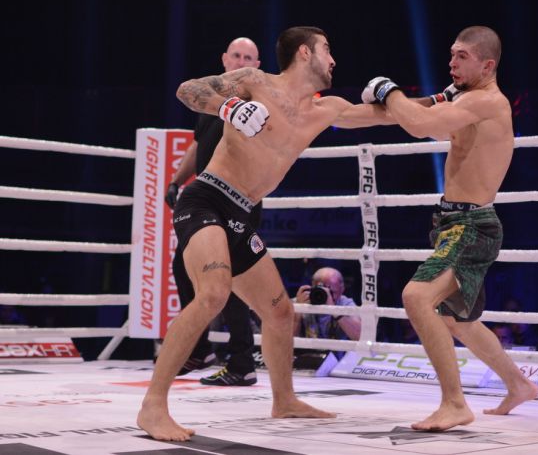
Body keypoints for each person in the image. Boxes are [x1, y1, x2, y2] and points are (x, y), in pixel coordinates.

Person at [137, 26, 393, 441]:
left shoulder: (325, 109)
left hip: (242, 215)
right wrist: (229, 108)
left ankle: (284, 400)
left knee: (280, 313)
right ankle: (152, 406)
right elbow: (188, 90)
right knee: (213, 293)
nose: (334, 59)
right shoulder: (254, 81)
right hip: (206, 200)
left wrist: (432, 99)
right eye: (327, 49)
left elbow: (393, 116)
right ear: (305, 53)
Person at [361, 26, 538, 431]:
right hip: (452, 221)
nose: (452, 62)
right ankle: (519, 384)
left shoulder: (487, 101)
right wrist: (339, 113)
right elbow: (421, 119)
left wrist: (388, 90)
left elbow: (419, 124)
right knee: (458, 320)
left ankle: (455, 404)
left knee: (416, 297)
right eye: (452, 54)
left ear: (487, 65)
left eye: (462, 56)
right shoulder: (466, 100)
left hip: (471, 225)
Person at [165, 37, 263, 386]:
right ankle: (199, 349)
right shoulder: (212, 100)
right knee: (183, 266)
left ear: (257, 66)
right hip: (208, 198)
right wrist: (176, 180)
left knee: (232, 279)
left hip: (238, 199)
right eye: (236, 55)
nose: (240, 62)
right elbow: (199, 144)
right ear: (224, 59)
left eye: (248, 58)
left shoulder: (257, 105)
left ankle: (241, 362)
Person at [293, 266, 361, 341]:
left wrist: (334, 310)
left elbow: (360, 337)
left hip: (336, 348)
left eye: (331, 292)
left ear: (342, 289)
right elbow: (285, 340)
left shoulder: (345, 304)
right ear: (312, 286)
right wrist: (298, 311)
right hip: (305, 349)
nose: (326, 295)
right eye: (320, 290)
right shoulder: (300, 301)